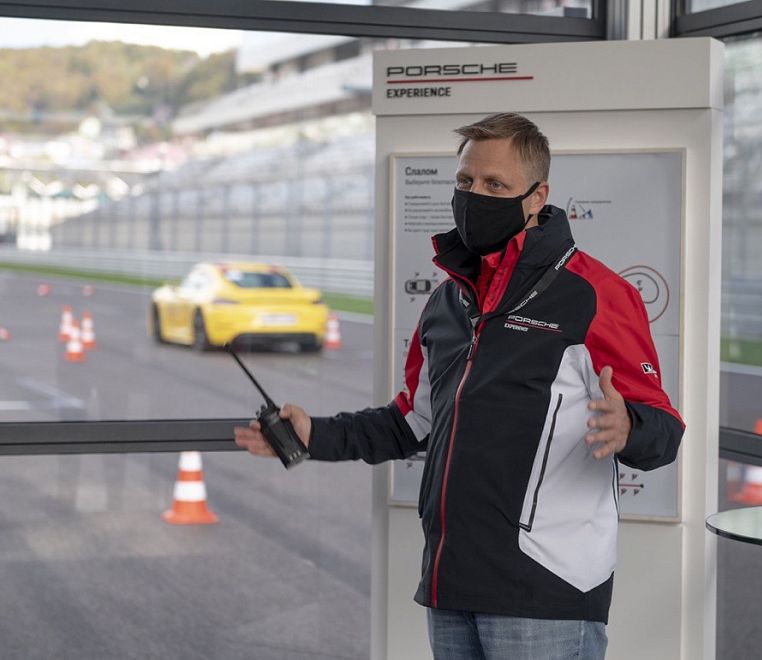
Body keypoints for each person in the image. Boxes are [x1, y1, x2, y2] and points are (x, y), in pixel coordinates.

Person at [234, 112, 684, 659]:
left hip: (546, 591)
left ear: (538, 196)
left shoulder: (595, 292)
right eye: (466, 182)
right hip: (451, 583)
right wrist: (316, 434)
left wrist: (630, 426)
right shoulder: (447, 300)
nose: (475, 197)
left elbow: (664, 429)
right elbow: (412, 421)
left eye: (495, 185)